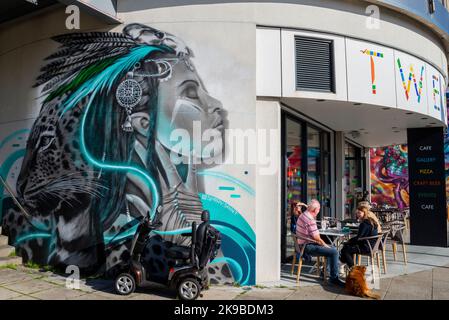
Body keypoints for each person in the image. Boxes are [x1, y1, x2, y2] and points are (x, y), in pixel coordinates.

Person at [296, 199, 345, 287]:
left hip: (302, 245)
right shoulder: (310, 219)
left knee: (332, 248)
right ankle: (334, 279)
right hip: (307, 247)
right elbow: (317, 238)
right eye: (318, 209)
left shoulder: (304, 215)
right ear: (315, 210)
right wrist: (326, 246)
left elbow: (309, 208)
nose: (319, 211)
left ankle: (325, 272)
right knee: (334, 251)